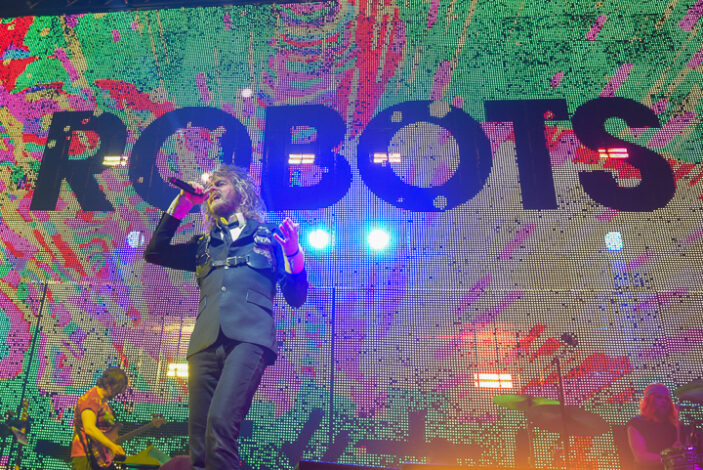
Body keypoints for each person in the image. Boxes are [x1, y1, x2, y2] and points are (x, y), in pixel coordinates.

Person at [144, 165, 308, 470]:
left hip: (249, 339)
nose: (213, 189)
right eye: (210, 186)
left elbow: (296, 297)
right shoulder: (204, 244)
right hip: (204, 343)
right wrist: (182, 204)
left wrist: (294, 254)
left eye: (221, 183)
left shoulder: (269, 235)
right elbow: (154, 252)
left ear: (241, 191)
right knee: (199, 447)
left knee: (220, 428)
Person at [70, 367, 129, 470]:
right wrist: (112, 446)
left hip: (100, 457)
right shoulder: (92, 399)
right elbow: (89, 428)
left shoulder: (103, 401)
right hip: (86, 456)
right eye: (118, 388)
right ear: (108, 384)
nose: (119, 393)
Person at [627, 382, 685, 469]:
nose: (664, 401)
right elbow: (641, 457)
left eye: (666, 398)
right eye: (659, 397)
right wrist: (671, 456)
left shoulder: (675, 425)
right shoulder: (637, 423)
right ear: (648, 401)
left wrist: (680, 450)